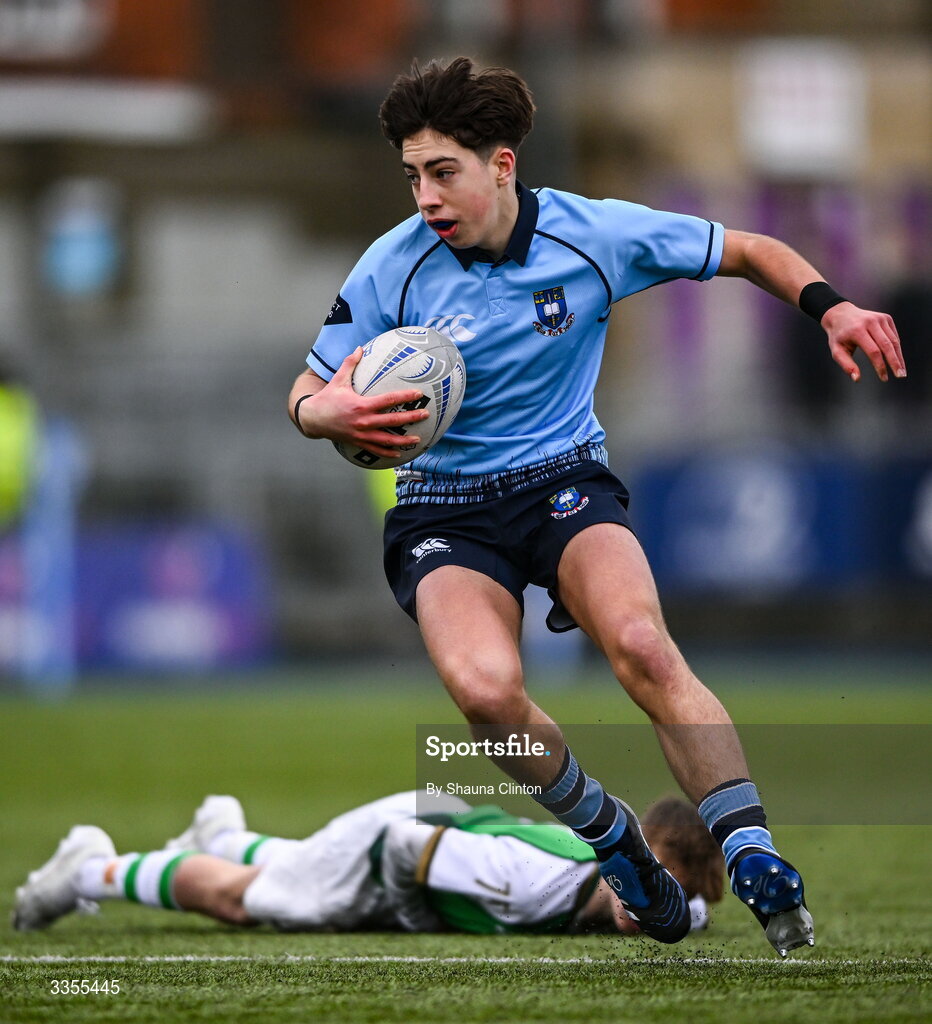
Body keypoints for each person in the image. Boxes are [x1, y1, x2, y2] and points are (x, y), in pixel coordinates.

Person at [286, 58, 905, 954]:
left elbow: (748, 250)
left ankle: (752, 849)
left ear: (502, 165)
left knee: (645, 646)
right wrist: (326, 411)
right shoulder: (393, 265)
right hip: (443, 509)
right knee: (485, 694)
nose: (425, 195)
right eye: (414, 174)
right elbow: (305, 391)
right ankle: (617, 844)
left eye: (443, 172)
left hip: (561, 481)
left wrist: (832, 307)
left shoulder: (595, 234)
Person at [12, 791, 722, 936]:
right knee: (258, 902)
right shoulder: (533, 883)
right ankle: (89, 868)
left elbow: (692, 907)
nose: (653, 902)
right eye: (650, 882)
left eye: (672, 894)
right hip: (403, 836)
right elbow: (409, 853)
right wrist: (408, 919)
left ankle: (222, 832)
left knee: (299, 870)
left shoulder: (657, 894)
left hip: (436, 818)